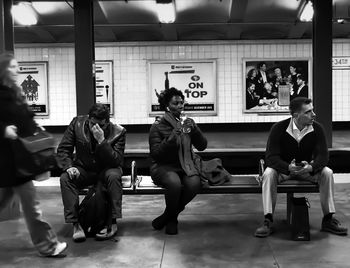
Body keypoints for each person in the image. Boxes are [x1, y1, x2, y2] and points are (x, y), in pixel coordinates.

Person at [0, 52, 67, 257]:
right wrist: (3, 130)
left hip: (18, 159)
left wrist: (36, 126)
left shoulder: (15, 92)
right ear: (2, 69)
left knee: (8, 202)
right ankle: (48, 245)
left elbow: (24, 118)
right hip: (7, 160)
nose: (16, 70)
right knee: (32, 207)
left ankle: (47, 244)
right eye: (12, 66)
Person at [255, 97, 348, 237]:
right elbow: (271, 157)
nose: (314, 114)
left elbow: (323, 156)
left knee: (328, 172)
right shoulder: (278, 128)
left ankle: (328, 219)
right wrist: (288, 167)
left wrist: (311, 167)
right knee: (268, 173)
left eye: (313, 110)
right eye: (308, 112)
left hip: (306, 171)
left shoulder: (317, 129)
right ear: (296, 115)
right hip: (284, 171)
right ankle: (268, 220)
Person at [57, 103, 126, 242]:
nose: (96, 128)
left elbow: (116, 161)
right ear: (88, 119)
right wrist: (69, 166)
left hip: (106, 170)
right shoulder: (77, 124)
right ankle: (76, 224)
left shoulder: (118, 132)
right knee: (66, 178)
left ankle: (112, 222)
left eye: (101, 125)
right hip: (84, 169)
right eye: (93, 123)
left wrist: (102, 141)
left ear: (107, 122)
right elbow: (64, 149)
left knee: (114, 175)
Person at [149, 87, 207, 235]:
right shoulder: (157, 126)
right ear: (167, 106)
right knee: (174, 184)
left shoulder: (187, 123)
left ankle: (168, 216)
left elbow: (202, 146)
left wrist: (195, 130)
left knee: (194, 184)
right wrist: (172, 138)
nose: (180, 106)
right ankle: (173, 220)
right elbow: (156, 154)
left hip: (185, 165)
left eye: (182, 102)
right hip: (163, 166)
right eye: (176, 103)